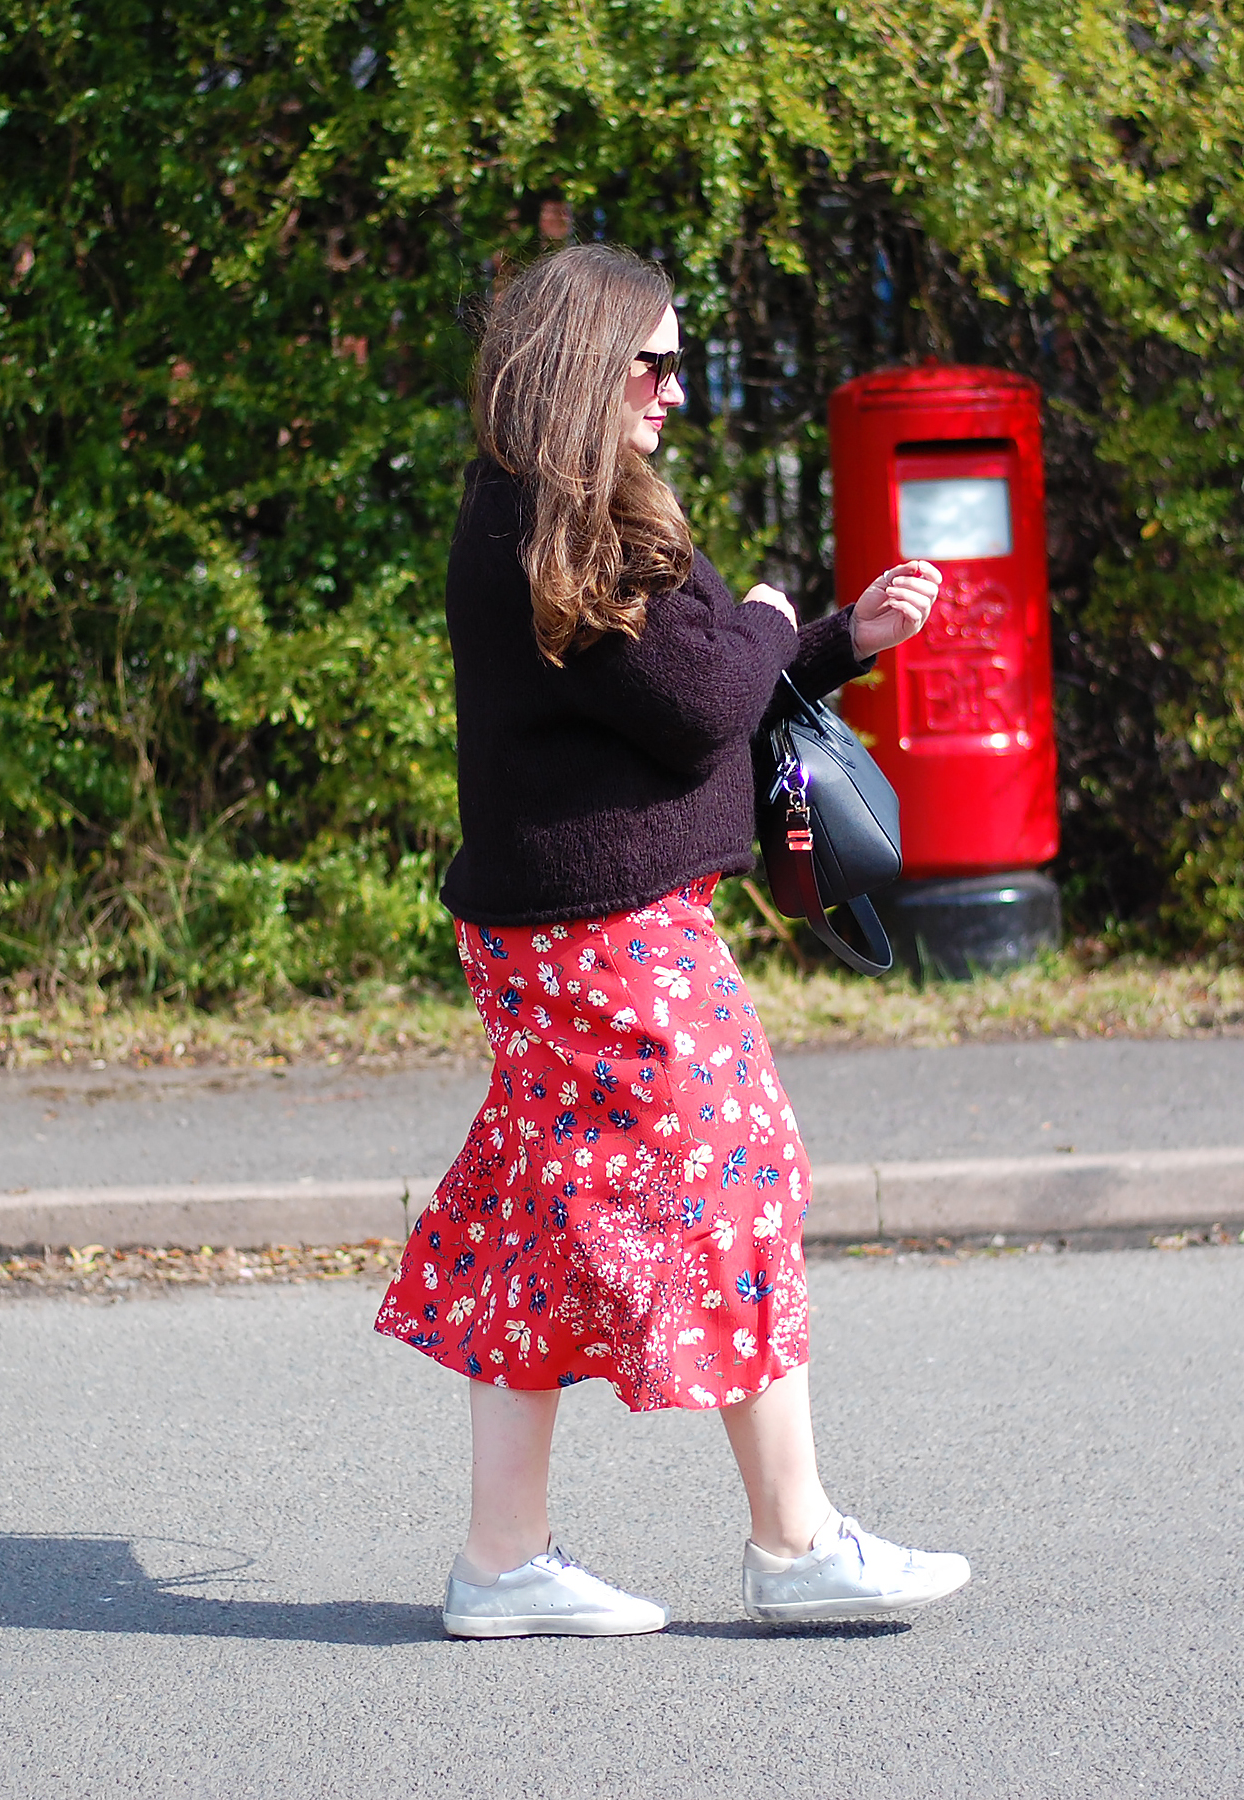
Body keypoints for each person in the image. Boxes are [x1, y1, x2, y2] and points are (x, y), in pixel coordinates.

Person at [374, 243, 969, 1639]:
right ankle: (797, 1541)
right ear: (583, 364)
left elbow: (674, 698)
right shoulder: (554, 522)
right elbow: (705, 696)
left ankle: (502, 1566)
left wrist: (825, 640)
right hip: (606, 937)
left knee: (537, 1223)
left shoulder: (555, 511)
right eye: (651, 361)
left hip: (566, 933)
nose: (674, 390)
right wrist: (771, 620)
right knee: (745, 1166)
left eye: (679, 361)